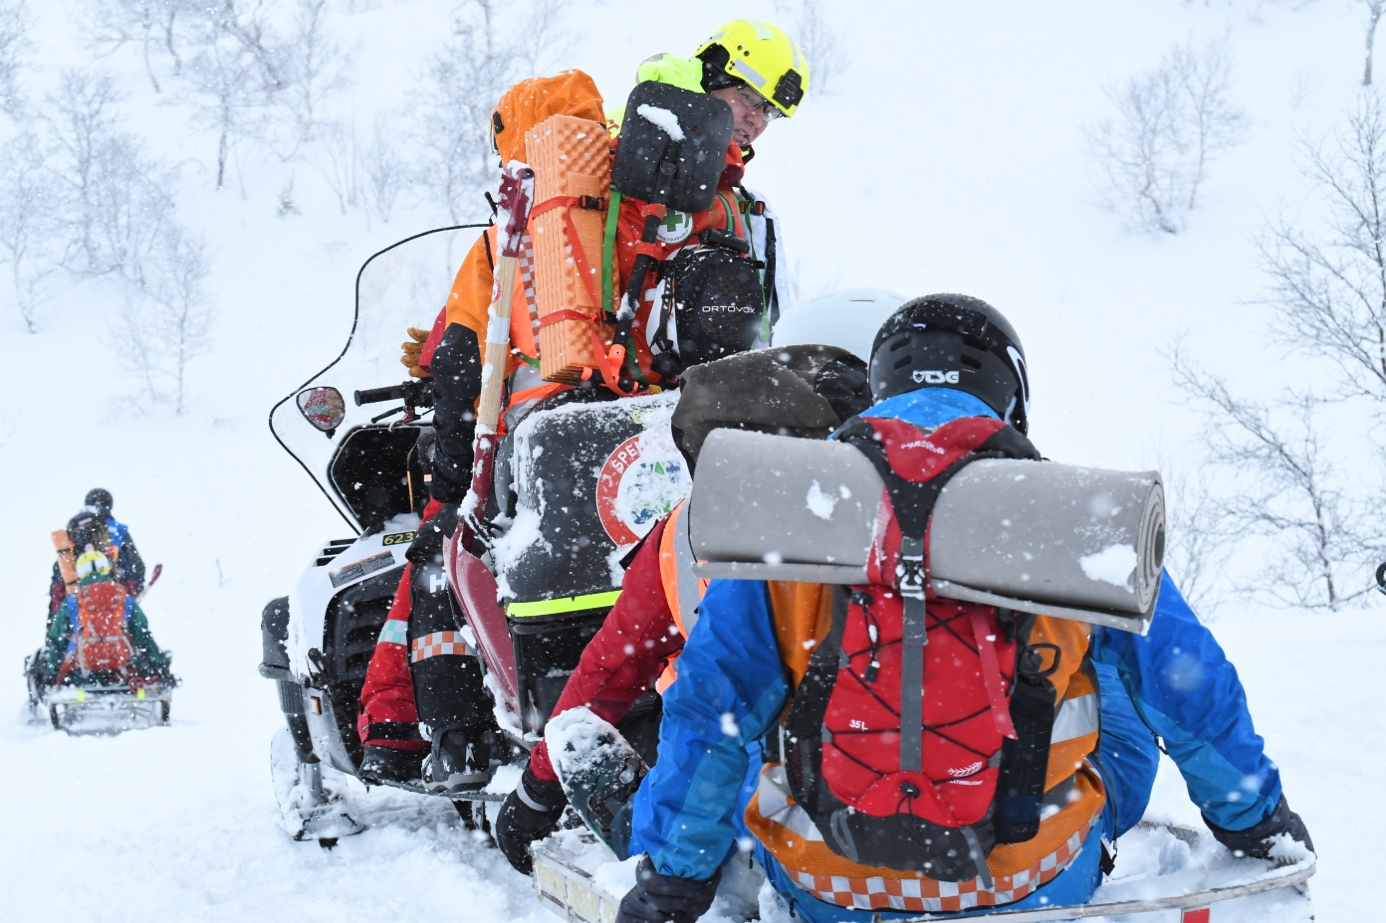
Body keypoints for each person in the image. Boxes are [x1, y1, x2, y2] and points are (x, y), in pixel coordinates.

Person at [613, 296, 1315, 923]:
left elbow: (712, 708)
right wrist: (1257, 822)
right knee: (1125, 676)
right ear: (1009, 396)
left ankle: (667, 832)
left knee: (754, 718)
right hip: (1030, 883)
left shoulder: (800, 511)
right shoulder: (1067, 514)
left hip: (827, 887)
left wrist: (671, 883)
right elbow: (1192, 687)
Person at [357, 19, 809, 789]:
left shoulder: (554, 209)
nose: (756, 121)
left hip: (556, 429)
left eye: (767, 112)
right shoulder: (709, 205)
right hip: (667, 422)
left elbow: (466, 349)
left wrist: (449, 454)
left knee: (445, 551)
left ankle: (418, 733)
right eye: (748, 101)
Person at [492, 344, 871, 873]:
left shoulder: (688, 536)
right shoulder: (935, 518)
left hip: (778, 813)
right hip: (956, 794)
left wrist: (539, 788)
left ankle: (641, 833)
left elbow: (616, 668)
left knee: (689, 759)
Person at [37, 510, 171, 688]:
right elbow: (143, 635)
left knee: (71, 656)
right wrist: (161, 668)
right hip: (120, 662)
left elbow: (57, 639)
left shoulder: (73, 599)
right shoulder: (122, 596)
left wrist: (51, 675)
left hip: (84, 665)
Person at [47, 488, 146, 624]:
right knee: (136, 633)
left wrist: (53, 621)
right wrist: (134, 595)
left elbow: (58, 580)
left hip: (78, 598)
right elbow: (137, 567)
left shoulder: (74, 531)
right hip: (115, 594)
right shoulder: (119, 530)